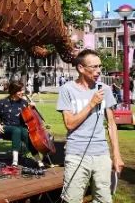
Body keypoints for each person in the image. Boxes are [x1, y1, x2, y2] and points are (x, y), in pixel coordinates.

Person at [56, 49, 123, 202]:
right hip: (76, 155)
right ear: (80, 68)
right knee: (72, 199)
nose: (98, 71)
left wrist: (116, 156)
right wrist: (91, 103)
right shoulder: (67, 90)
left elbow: (112, 125)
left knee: (104, 199)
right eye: (93, 67)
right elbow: (69, 124)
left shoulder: (105, 90)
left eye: (99, 66)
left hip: (102, 155)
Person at [0, 80, 45, 168]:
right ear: (13, 91)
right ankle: (15, 160)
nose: (22, 92)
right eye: (20, 90)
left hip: (21, 129)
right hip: (6, 129)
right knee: (17, 130)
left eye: (22, 90)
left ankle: (38, 160)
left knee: (25, 132)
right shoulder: (2, 103)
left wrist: (31, 108)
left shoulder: (24, 103)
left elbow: (31, 118)